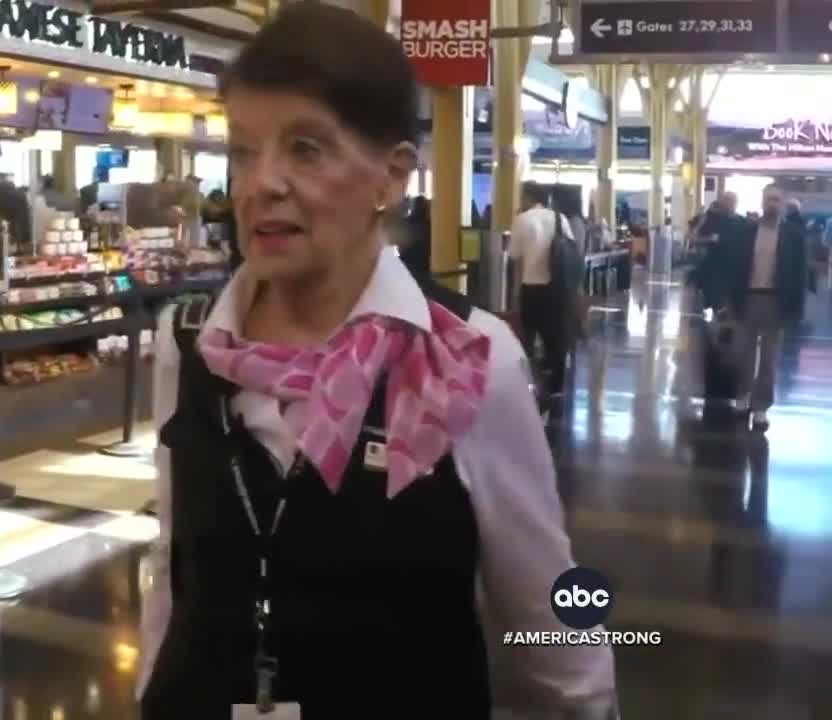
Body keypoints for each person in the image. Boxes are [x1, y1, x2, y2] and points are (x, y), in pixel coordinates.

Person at [138, 4, 615, 718]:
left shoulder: (465, 356)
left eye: (305, 149)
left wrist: (582, 702)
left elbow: (545, 615)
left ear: (391, 178)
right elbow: (176, 572)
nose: (260, 183)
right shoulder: (194, 342)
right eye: (242, 150)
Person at [706, 184, 807, 431]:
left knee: (769, 358)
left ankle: (761, 407)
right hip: (746, 298)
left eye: (776, 200)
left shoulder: (793, 236)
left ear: (782, 204)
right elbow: (732, 267)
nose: (772, 204)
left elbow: (800, 274)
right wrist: (724, 302)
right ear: (762, 202)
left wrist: (797, 308)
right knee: (743, 352)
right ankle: (743, 396)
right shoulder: (746, 231)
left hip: (776, 301)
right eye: (768, 199)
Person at [509, 180, 573, 398]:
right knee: (555, 337)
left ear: (528, 197)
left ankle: (525, 384)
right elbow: (571, 251)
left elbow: (515, 258)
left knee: (527, 337)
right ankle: (557, 386)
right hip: (557, 287)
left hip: (531, 286)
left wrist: (515, 292)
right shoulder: (559, 218)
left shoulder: (521, 220)